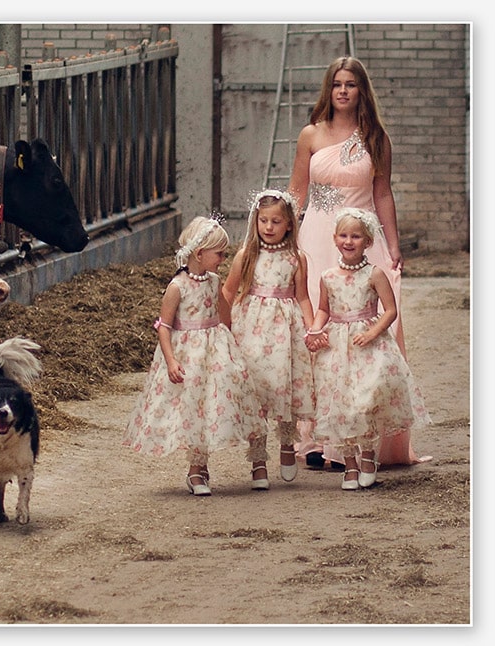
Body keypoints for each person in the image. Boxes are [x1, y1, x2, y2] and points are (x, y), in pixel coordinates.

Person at [285, 55, 429, 468]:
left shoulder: (375, 138)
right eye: (337, 84)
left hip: (363, 239)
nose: (343, 91)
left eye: (351, 84)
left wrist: (394, 244)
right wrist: (285, 243)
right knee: (320, 333)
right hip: (318, 235)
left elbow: (383, 193)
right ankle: (316, 441)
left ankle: (359, 440)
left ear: (362, 91)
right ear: (328, 90)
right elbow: (298, 191)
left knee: (366, 337)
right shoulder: (311, 135)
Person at [122, 215, 265, 496]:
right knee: (193, 408)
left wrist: (232, 341)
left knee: (216, 403)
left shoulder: (213, 281)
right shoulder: (177, 287)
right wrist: (171, 361)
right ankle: (196, 471)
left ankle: (220, 465)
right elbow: (163, 327)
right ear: (200, 253)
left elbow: (223, 314)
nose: (223, 258)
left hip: (215, 350)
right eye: (219, 254)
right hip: (188, 354)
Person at [303, 208, 431, 490]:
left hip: (368, 346)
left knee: (365, 401)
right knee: (342, 405)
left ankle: (369, 458)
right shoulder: (328, 276)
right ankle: (350, 465)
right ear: (335, 238)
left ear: (368, 242)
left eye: (356, 237)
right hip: (337, 348)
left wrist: (373, 331)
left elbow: (390, 310)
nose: (349, 241)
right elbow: (324, 309)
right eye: (344, 235)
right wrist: (315, 328)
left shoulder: (374, 274)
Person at [221, 189, 316, 485]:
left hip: (286, 331)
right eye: (264, 220)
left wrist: (312, 328)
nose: (269, 227)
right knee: (257, 390)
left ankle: (287, 445)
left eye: (276, 221)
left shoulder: (297, 258)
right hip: (252, 330)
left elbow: (302, 297)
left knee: (285, 386)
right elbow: (227, 291)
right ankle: (258, 459)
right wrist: (222, 326)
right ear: (256, 221)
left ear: (289, 224)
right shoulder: (246, 255)